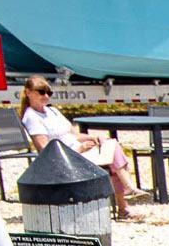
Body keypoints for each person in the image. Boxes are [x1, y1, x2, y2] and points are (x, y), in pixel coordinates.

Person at [18, 76, 136, 210]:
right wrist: (80, 149)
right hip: (66, 158)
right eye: (41, 92)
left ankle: (126, 193)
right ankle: (125, 198)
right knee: (113, 154)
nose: (46, 96)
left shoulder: (52, 111)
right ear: (28, 93)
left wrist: (92, 138)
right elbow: (45, 150)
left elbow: (74, 134)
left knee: (111, 144)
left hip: (77, 150)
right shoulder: (31, 117)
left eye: (49, 93)